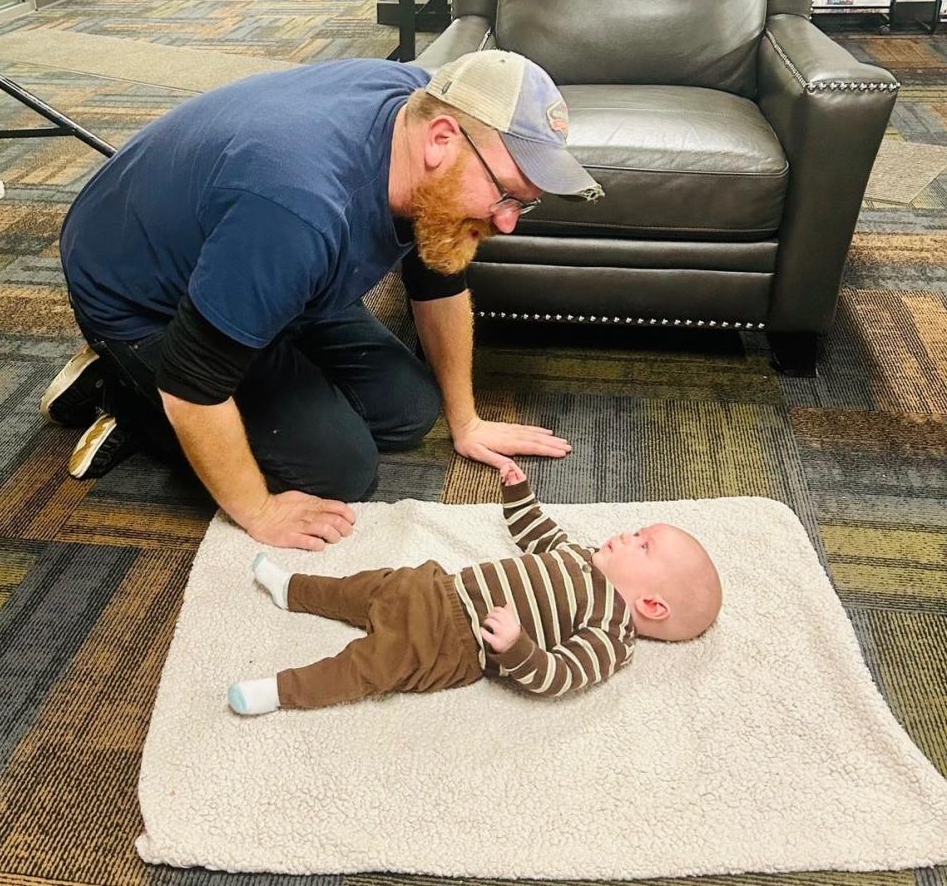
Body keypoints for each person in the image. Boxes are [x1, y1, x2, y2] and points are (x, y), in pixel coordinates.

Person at [42, 51, 604, 551]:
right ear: (441, 140)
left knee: (409, 412)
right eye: (507, 194)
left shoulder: (431, 107)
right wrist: (258, 511)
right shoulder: (300, 208)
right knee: (340, 471)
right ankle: (122, 387)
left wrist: (468, 420)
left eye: (523, 204)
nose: (507, 220)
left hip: (260, 258)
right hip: (141, 292)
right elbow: (194, 383)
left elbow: (439, 279)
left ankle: (248, 327)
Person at [227, 462, 723, 714]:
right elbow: (536, 532)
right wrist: (517, 492)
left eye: (642, 546)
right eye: (638, 531)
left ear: (652, 604)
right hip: (437, 585)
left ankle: (278, 691)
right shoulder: (582, 554)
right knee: (359, 588)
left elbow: (560, 677)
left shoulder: (611, 635)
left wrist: (516, 647)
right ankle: (293, 588)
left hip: (453, 643)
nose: (626, 535)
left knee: (365, 667)